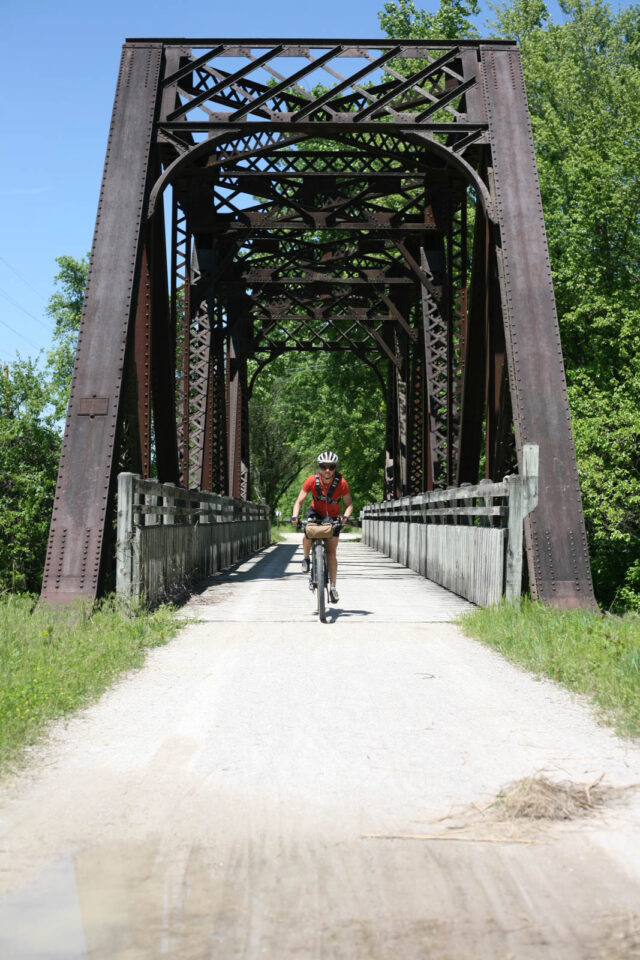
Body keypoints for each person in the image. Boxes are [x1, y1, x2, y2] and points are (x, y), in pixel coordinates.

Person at [291, 451, 353, 603]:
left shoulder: (342, 483)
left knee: (331, 553)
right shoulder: (311, 480)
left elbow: (349, 505)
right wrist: (295, 516)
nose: (327, 470)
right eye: (324, 466)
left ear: (334, 468)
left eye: (331, 467)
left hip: (333, 517)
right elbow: (299, 501)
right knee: (307, 533)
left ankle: (332, 587)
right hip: (315, 513)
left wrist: (345, 517)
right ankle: (306, 558)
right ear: (319, 467)